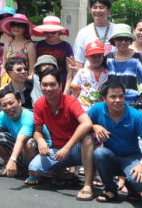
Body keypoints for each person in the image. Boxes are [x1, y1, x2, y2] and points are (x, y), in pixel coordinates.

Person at [28, 68, 96, 201]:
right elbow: (37, 131)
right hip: (57, 150)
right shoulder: (39, 104)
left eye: (53, 84)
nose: (48, 88)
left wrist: (68, 147)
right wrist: (40, 140)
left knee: (87, 139)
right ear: (40, 85)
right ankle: (62, 174)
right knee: (34, 169)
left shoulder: (70, 101)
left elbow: (87, 124)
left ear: (60, 85)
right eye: (45, 84)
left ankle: (88, 185)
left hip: (76, 148)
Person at [88, 79, 142, 202]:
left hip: (131, 157)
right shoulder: (97, 109)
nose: (118, 100)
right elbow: (82, 124)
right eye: (113, 97)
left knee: (141, 184)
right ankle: (110, 189)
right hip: (110, 157)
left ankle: (132, 188)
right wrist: (94, 126)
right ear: (104, 98)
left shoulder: (135, 115)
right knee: (99, 153)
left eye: (121, 96)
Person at [104, 24, 142, 105]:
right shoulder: (107, 59)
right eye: (119, 39)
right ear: (114, 40)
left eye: (126, 39)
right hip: (112, 105)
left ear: (130, 40)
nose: (123, 42)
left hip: (133, 105)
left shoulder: (138, 59)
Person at [0, 13, 36, 86]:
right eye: (13, 25)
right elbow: (4, 67)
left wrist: (24, 79)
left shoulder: (29, 46)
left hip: (23, 82)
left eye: (20, 26)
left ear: (25, 28)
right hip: (7, 81)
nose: (16, 28)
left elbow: (32, 71)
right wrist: (0, 84)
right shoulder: (7, 44)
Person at [32, 15, 74, 89]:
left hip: (60, 84)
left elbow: (70, 72)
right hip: (42, 84)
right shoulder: (38, 45)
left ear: (59, 32)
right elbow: (34, 66)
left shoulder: (66, 46)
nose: (50, 35)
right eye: (46, 32)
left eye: (53, 32)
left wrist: (66, 91)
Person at [73, 0, 115, 66]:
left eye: (101, 7)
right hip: (90, 75)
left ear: (109, 10)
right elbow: (79, 61)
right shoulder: (83, 32)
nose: (97, 11)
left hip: (113, 75)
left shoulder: (117, 30)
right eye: (94, 7)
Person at [69, 40, 108, 111]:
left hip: (101, 111)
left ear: (103, 56)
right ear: (86, 57)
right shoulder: (81, 72)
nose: (96, 58)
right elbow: (74, 94)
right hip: (83, 110)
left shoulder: (108, 73)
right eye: (93, 56)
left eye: (99, 55)